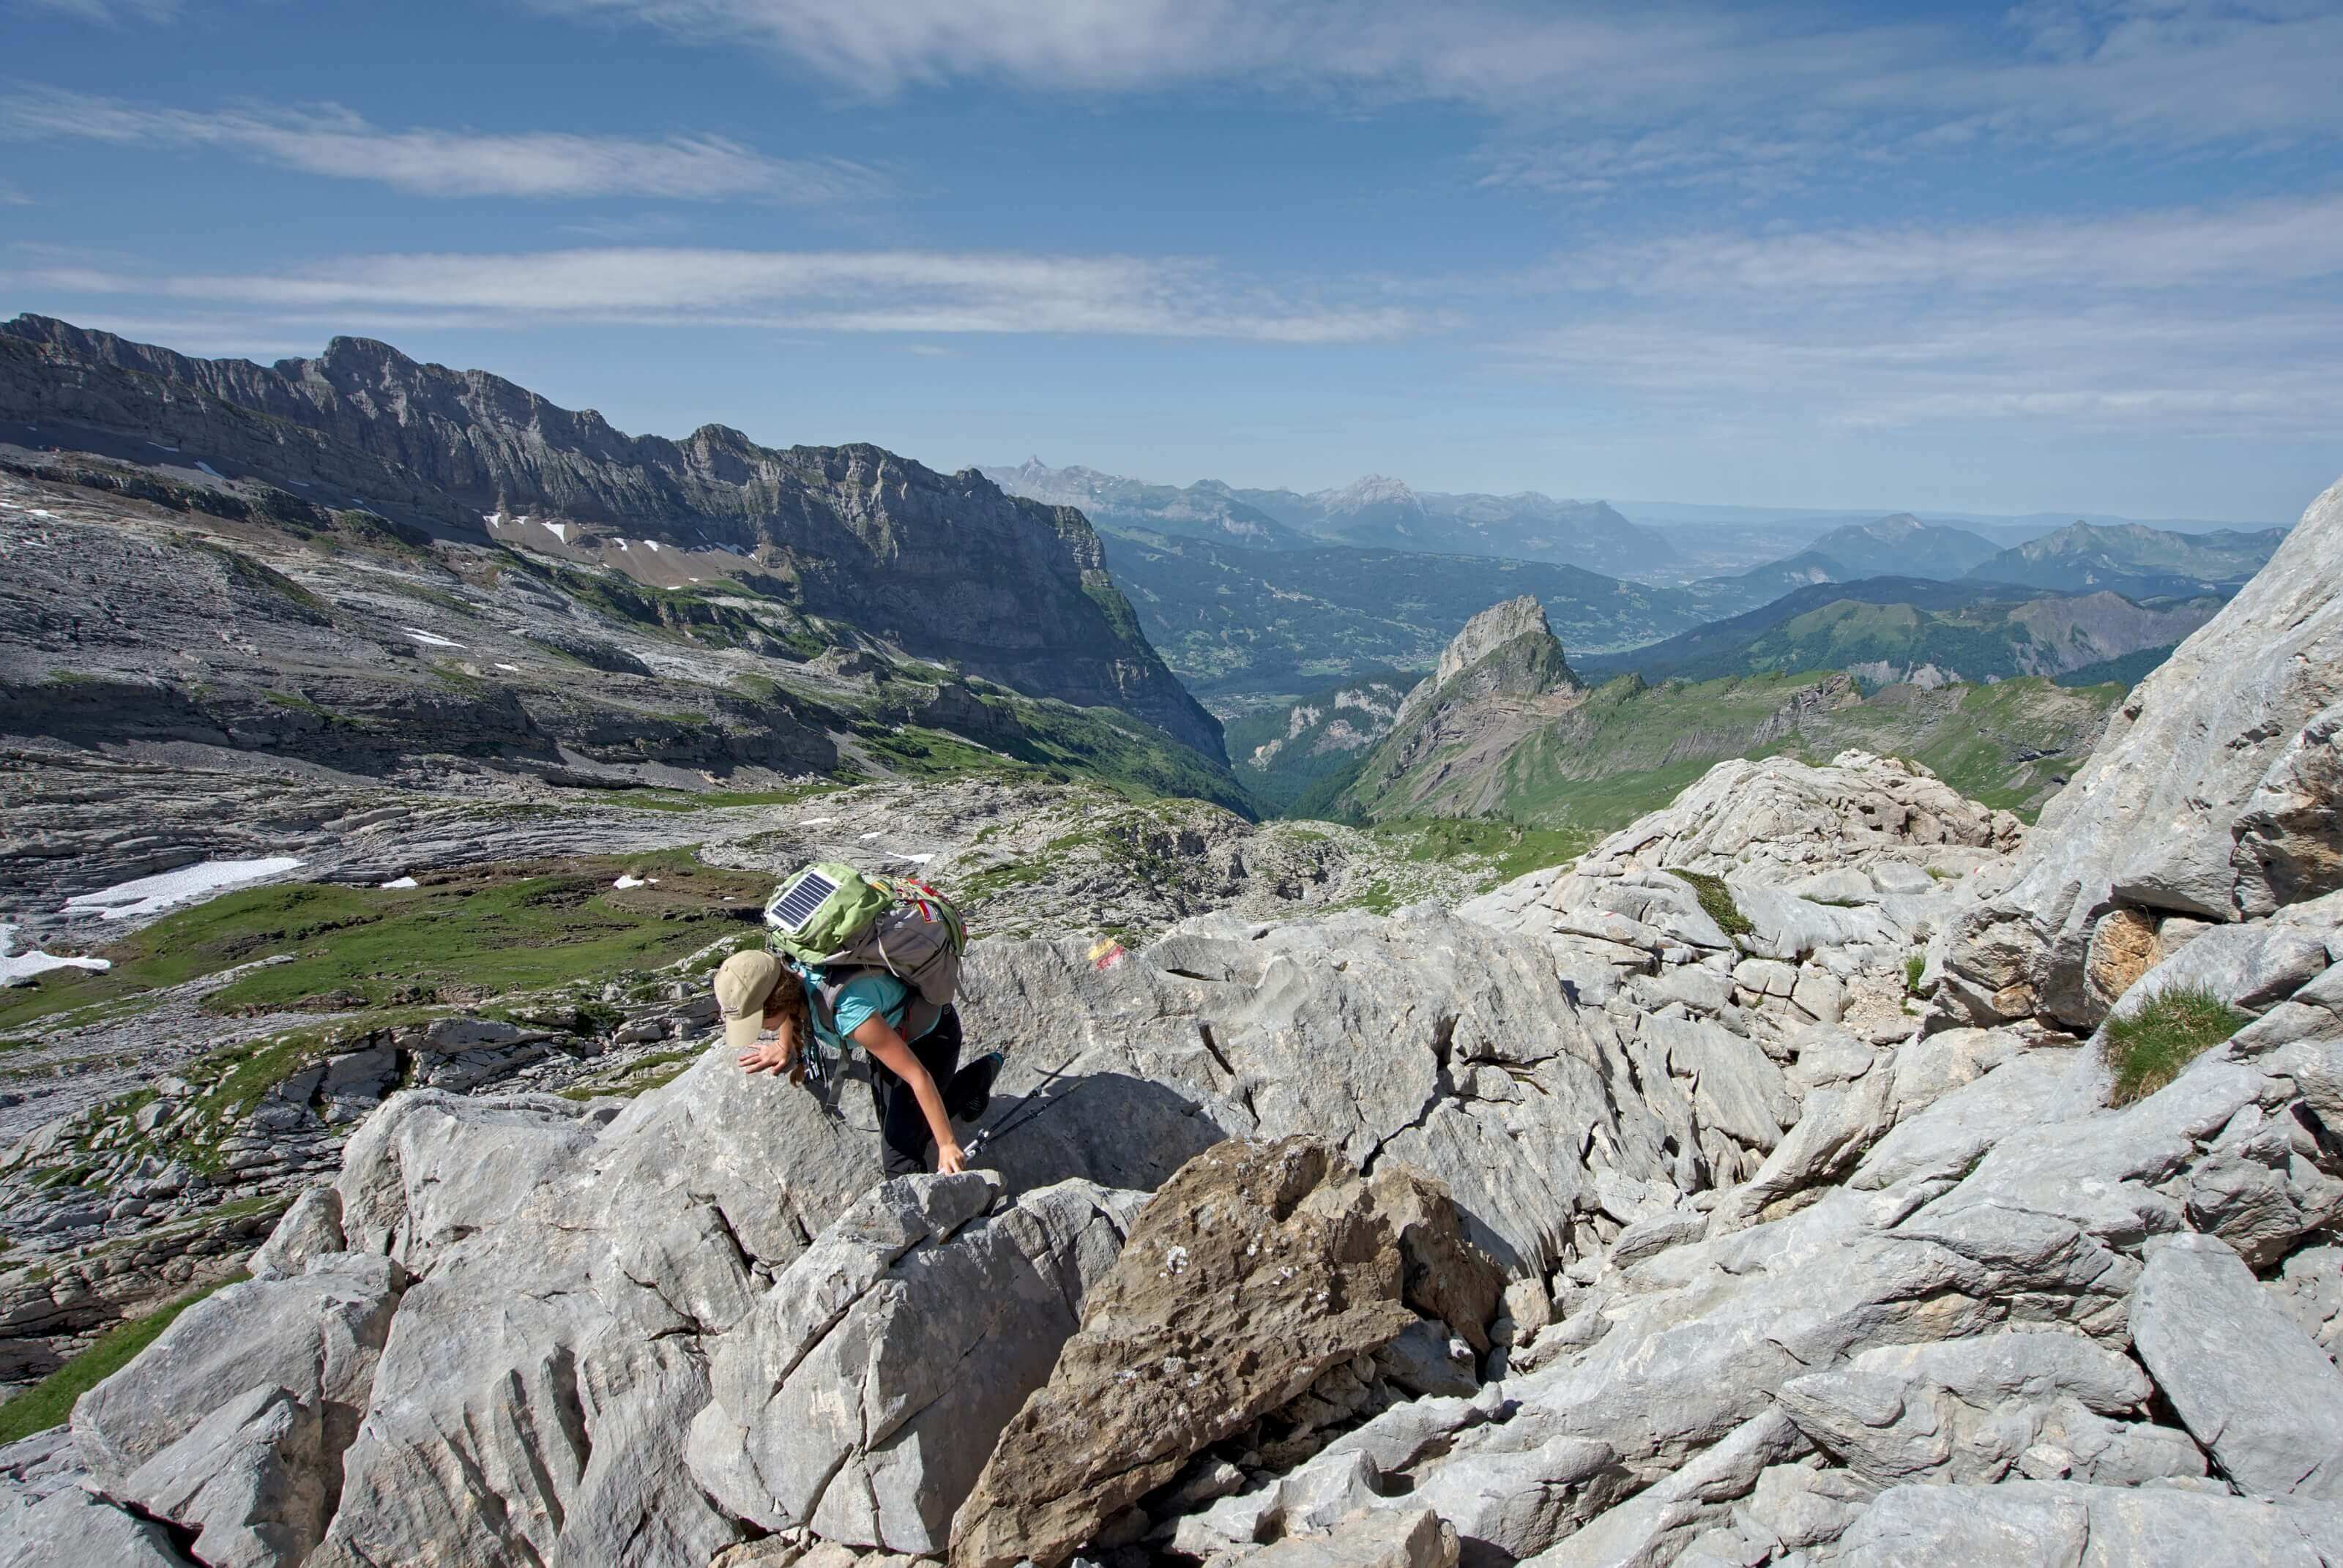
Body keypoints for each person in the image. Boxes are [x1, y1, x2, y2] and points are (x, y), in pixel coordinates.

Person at [714, 949, 1000, 1176]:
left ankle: (979, 1077)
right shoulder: (794, 974)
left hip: (930, 1040)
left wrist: (947, 1145)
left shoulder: (848, 1013)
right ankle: (975, 1079)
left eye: (761, 1021)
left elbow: (917, 1077)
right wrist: (782, 1045)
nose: (762, 1028)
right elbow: (791, 1010)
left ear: (777, 1002)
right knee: (896, 1128)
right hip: (892, 1037)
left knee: (898, 1161)